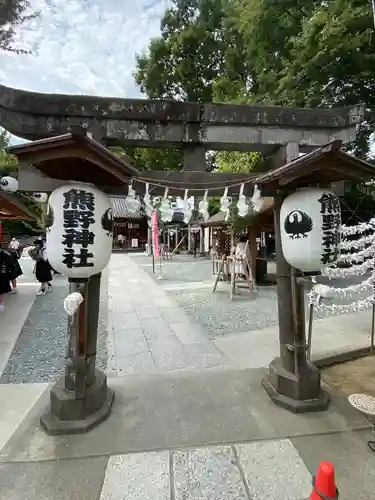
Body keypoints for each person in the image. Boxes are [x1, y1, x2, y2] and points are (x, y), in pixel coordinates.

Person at [0, 245, 12, 312]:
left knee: (1, 290)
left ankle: (1, 304)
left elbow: (8, 264)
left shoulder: (5, 254)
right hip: (3, 274)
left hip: (2, 274)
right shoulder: (5, 253)